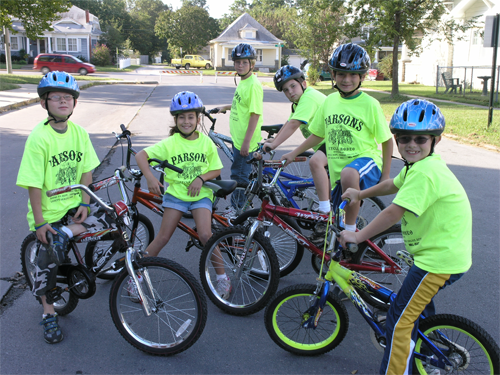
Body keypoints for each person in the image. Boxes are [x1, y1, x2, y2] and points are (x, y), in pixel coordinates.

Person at [339, 99, 472, 375]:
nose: (412, 144)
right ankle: (426, 350)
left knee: (399, 320)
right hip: (439, 254)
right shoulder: (419, 166)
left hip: (437, 262)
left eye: (421, 138)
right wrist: (360, 193)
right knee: (416, 310)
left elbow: (393, 214)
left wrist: (358, 235)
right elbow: (391, 184)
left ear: (435, 140)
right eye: (404, 139)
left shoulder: (425, 173)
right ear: (396, 140)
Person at [16, 71, 112, 344]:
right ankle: (48, 313)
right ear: (44, 103)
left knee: (115, 220)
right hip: (48, 213)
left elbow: (86, 172)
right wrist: (39, 223)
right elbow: (33, 184)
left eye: (68, 97)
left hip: (73, 207)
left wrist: (84, 202)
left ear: (75, 103)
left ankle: (73, 240)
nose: (62, 101)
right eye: (55, 97)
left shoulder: (80, 133)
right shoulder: (39, 138)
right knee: (47, 258)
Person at [281, 43, 393, 233]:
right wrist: (293, 153)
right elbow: (317, 135)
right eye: (341, 74)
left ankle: (350, 232)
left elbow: (387, 140)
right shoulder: (330, 101)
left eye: (353, 75)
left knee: (348, 176)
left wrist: (385, 176)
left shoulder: (370, 104)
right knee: (335, 225)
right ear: (333, 75)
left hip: (366, 163)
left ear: (362, 77)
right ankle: (348, 240)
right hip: (338, 173)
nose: (346, 79)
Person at [134, 91, 231, 300]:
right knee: (163, 236)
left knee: (206, 235)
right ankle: (137, 277)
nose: (186, 122)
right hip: (176, 195)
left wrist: (201, 179)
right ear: (175, 119)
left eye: (190, 117)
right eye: (181, 117)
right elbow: (141, 155)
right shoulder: (170, 143)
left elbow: (216, 169)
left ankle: (222, 278)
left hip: (201, 195)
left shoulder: (205, 143)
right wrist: (150, 178)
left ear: (198, 118)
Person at [262, 65, 330, 216]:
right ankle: (329, 216)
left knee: (316, 164)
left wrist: (274, 145)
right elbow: (289, 122)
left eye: (293, 86)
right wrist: (274, 140)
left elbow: (294, 124)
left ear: (303, 84)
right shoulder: (298, 103)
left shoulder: (309, 98)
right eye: (285, 90)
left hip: (333, 142)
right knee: (327, 187)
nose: (290, 92)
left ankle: (325, 212)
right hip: (324, 144)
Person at [210, 43, 263, 218]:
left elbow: (255, 115)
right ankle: (241, 204)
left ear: (252, 64)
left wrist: (246, 142)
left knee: (239, 177)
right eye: (237, 62)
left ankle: (237, 210)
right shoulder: (244, 81)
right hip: (239, 138)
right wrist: (223, 107)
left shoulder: (253, 85)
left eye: (244, 62)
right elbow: (240, 105)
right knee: (240, 173)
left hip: (244, 141)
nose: (240, 65)